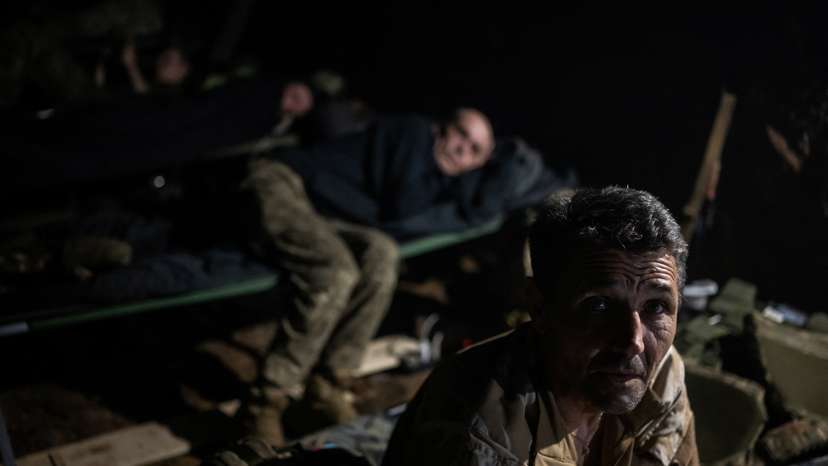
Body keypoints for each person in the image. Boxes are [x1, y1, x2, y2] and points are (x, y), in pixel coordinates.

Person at [383, 187, 699, 466]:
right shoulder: (480, 442)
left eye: (656, 307)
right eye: (599, 306)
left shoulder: (662, 375)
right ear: (539, 307)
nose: (634, 341)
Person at [239, 108, 496, 443]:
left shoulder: (439, 179)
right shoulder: (415, 132)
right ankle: (266, 400)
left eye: (474, 149)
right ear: (442, 127)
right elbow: (402, 204)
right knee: (336, 271)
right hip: (283, 179)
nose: (462, 148)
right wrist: (454, 173)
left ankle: (329, 383)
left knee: (384, 255)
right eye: (461, 133)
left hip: (323, 213)